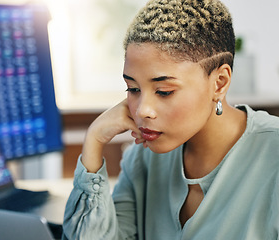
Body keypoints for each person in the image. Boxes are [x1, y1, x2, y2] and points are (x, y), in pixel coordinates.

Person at [62, 0, 279, 239]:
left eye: (164, 91)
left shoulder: (273, 157)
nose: (143, 110)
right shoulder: (143, 157)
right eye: (133, 89)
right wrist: (94, 140)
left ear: (220, 83)